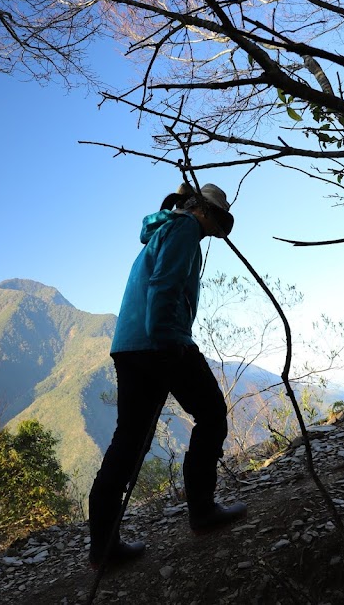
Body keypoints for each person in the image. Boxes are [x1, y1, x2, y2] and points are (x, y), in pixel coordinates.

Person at [88, 182, 247, 569]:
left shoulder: (161, 230)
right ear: (205, 212)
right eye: (218, 218)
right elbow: (165, 286)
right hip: (161, 340)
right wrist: (165, 342)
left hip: (129, 345)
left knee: (129, 440)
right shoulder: (184, 229)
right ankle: (203, 511)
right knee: (210, 413)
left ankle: (103, 549)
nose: (216, 229)